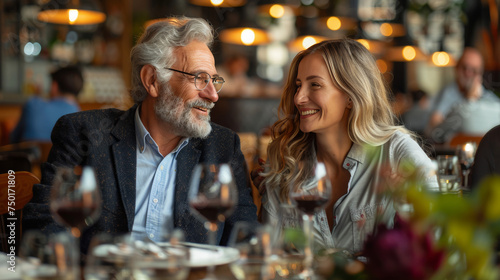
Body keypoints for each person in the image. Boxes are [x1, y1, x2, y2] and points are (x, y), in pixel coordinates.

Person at [23, 17, 258, 254]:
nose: (213, 95)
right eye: (199, 79)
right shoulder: (83, 133)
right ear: (152, 80)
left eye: (214, 81)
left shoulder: (223, 146)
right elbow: (45, 226)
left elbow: (245, 237)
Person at [251, 39, 438, 254]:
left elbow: (440, 242)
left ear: (350, 95)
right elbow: (269, 255)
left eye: (315, 85)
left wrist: (408, 209)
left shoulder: (396, 150)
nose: (299, 98)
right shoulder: (286, 159)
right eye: (298, 85)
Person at [427, 47, 500, 132]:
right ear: (456, 68)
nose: (468, 73)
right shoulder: (447, 93)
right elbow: (434, 129)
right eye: (464, 67)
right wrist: (469, 101)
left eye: (474, 70)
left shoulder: (489, 98)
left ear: (481, 73)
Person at [10, 65, 83, 143]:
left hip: (31, 154)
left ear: (54, 86)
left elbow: (14, 138)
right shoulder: (81, 116)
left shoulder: (33, 104)